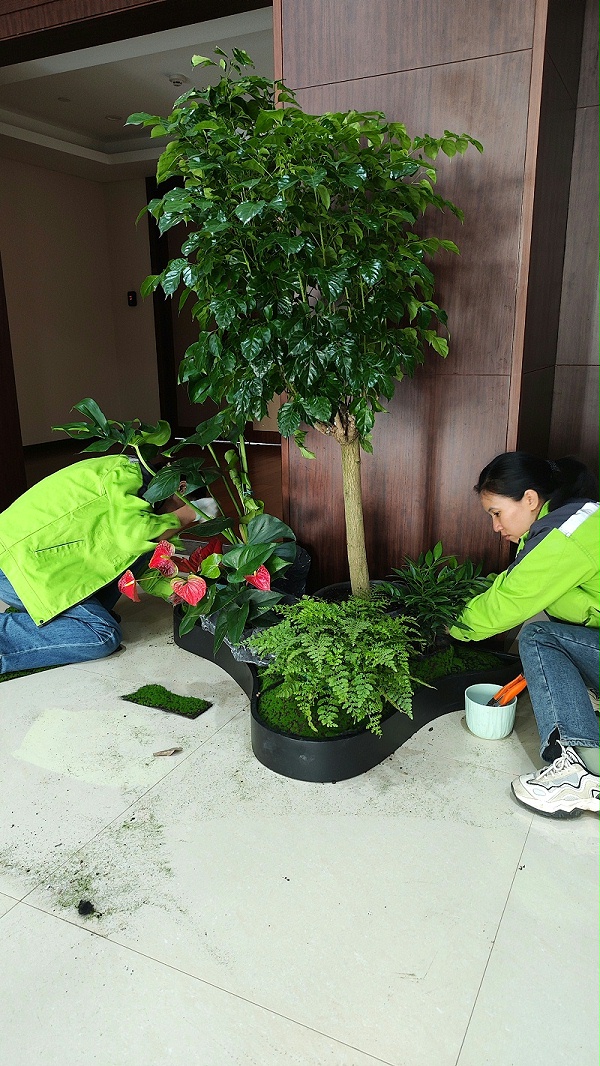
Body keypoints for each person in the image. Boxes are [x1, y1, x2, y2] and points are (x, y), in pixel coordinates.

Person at [449, 451, 600, 819]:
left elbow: (508, 602)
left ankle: (582, 771)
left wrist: (442, 624)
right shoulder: (574, 520)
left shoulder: (565, 537)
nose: (495, 526)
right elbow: (518, 586)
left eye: (496, 513)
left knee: (538, 637)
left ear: (530, 500)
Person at [0, 454, 203, 675]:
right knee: (102, 634)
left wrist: (172, 590)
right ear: (181, 488)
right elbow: (134, 537)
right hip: (16, 565)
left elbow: (141, 559)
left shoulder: (141, 496)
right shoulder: (127, 475)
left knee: (99, 613)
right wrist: (189, 515)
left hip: (41, 564)